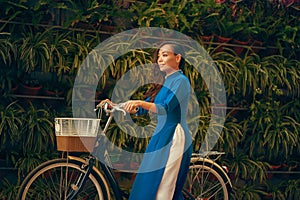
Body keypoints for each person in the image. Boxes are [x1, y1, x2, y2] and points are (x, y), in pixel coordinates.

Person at [101, 41, 192, 200]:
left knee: (164, 186)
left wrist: (140, 103)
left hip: (174, 135)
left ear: (177, 58)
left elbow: (164, 107)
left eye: (165, 55)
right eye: (158, 56)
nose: (160, 60)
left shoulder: (181, 81)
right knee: (148, 182)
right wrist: (117, 105)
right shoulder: (165, 82)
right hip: (160, 135)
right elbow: (143, 107)